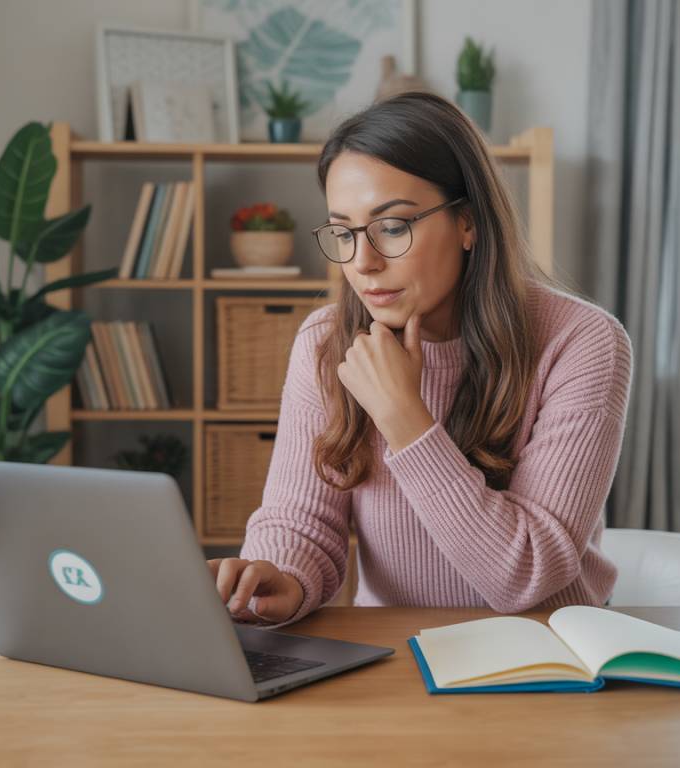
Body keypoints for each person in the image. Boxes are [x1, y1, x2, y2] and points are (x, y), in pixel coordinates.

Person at [207, 91, 633, 629]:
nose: (363, 263)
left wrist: (404, 416)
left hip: (548, 652)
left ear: (468, 223)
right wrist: (279, 579)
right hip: (398, 652)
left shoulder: (582, 342)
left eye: (393, 227)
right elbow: (302, 522)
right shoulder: (325, 342)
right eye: (343, 232)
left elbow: (524, 575)